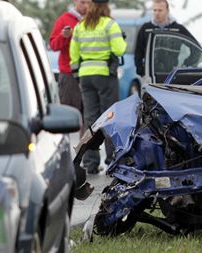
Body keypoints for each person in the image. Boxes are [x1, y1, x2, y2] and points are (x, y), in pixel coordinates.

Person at [70, 0, 126, 174]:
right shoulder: (110, 24)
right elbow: (119, 50)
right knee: (109, 116)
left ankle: (90, 163)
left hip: (85, 75)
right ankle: (112, 160)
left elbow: (73, 53)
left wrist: (77, 74)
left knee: (91, 119)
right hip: (104, 75)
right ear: (106, 6)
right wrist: (122, 40)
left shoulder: (80, 26)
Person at [49, 0, 90, 126]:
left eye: (89, 3)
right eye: (83, 2)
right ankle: (65, 143)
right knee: (68, 114)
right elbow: (53, 45)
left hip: (89, 72)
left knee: (88, 115)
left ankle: (84, 145)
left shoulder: (95, 21)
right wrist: (63, 36)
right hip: (69, 74)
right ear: (75, 1)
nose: (86, 6)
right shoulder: (64, 20)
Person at [134, 0, 198, 77]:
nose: (157, 13)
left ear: (167, 11)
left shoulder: (178, 29)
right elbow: (138, 52)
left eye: (160, 10)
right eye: (155, 10)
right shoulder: (146, 28)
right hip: (149, 76)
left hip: (171, 76)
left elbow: (196, 48)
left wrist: (185, 66)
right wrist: (141, 71)